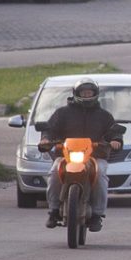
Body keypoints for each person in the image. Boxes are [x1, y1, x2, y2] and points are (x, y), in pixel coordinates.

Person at [40, 78, 121, 231]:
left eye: (89, 92)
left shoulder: (104, 115)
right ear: (76, 93)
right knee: (54, 172)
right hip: (66, 155)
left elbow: (114, 131)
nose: (86, 95)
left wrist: (116, 140)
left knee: (101, 174)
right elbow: (50, 129)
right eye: (83, 92)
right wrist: (46, 139)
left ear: (96, 94)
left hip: (96, 156)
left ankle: (97, 214)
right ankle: (53, 210)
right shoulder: (62, 113)